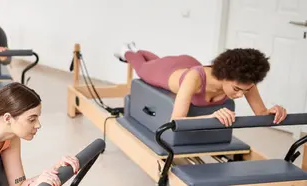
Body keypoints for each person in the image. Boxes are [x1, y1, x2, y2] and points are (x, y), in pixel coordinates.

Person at [114, 42, 288, 126]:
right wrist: (211, 117)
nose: (241, 95)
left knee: (156, 61)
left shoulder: (244, 80)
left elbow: (262, 114)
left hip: (188, 62)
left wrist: (273, 111)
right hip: (169, 72)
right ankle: (128, 51)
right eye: (236, 90)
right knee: (143, 67)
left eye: (246, 90)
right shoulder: (194, 79)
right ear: (224, 75)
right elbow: (176, 120)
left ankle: (139, 50)